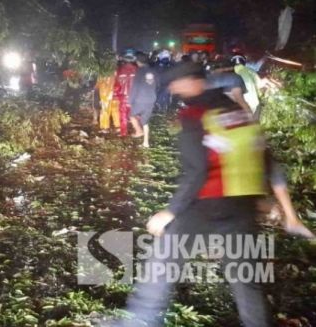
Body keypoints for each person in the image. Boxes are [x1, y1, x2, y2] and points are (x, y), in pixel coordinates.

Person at [118, 62, 314, 327]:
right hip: (242, 208)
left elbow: (197, 172)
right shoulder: (240, 114)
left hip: (207, 203)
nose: (175, 89)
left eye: (177, 83)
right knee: (246, 280)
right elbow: (269, 164)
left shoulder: (194, 115)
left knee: (163, 258)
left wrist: (169, 211)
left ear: (193, 82)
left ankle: (140, 320)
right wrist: (287, 213)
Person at [129, 53, 158, 147]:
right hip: (151, 99)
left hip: (140, 99)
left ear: (138, 61)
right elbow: (158, 84)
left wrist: (130, 100)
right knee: (145, 121)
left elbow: (135, 87)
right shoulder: (153, 71)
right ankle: (146, 143)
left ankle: (138, 131)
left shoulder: (139, 72)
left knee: (131, 115)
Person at [114, 49, 138, 136]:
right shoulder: (137, 70)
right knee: (134, 113)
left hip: (123, 96)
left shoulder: (120, 70)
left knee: (123, 114)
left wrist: (115, 93)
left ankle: (123, 132)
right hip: (135, 96)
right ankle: (137, 130)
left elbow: (117, 84)